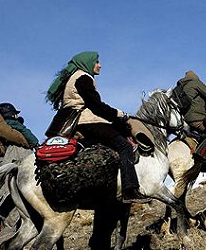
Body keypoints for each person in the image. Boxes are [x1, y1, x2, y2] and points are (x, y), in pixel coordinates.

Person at [45, 51, 148, 203]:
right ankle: (130, 190)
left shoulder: (73, 78)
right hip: (86, 121)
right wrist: (119, 114)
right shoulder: (83, 78)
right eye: (96, 62)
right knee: (124, 146)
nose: (99, 65)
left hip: (76, 122)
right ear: (87, 63)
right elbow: (96, 106)